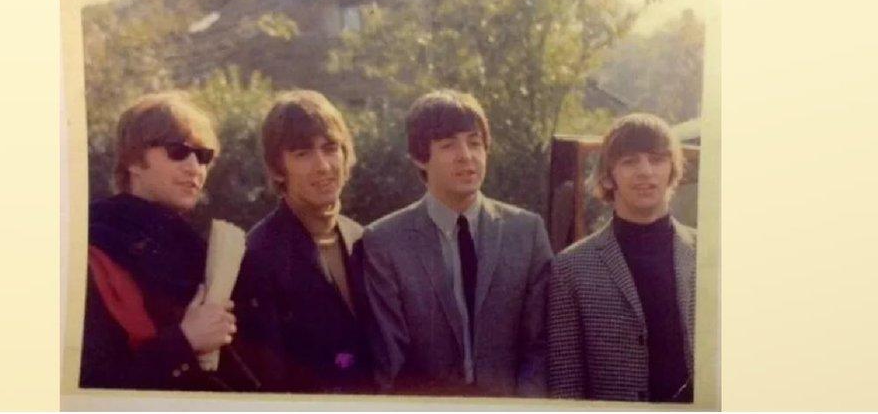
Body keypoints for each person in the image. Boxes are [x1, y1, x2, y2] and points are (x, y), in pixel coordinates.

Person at [361, 89, 551, 397]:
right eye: (448, 145)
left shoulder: (526, 232)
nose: (466, 155)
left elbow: (541, 345)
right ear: (420, 158)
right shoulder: (384, 242)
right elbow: (389, 359)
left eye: (475, 143)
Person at [79, 91, 253, 391]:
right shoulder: (92, 247)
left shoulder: (197, 250)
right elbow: (90, 384)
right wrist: (184, 341)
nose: (194, 167)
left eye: (203, 156)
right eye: (177, 151)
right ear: (134, 160)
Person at [547, 113, 695, 403]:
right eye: (630, 161)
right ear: (607, 175)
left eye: (656, 159)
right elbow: (566, 385)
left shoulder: (710, 257)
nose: (645, 171)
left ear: (673, 170)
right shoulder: (571, 268)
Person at [231, 90, 373, 393]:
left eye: (330, 148)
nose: (322, 165)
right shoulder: (256, 255)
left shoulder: (362, 238)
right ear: (277, 168)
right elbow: (267, 381)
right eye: (302, 153)